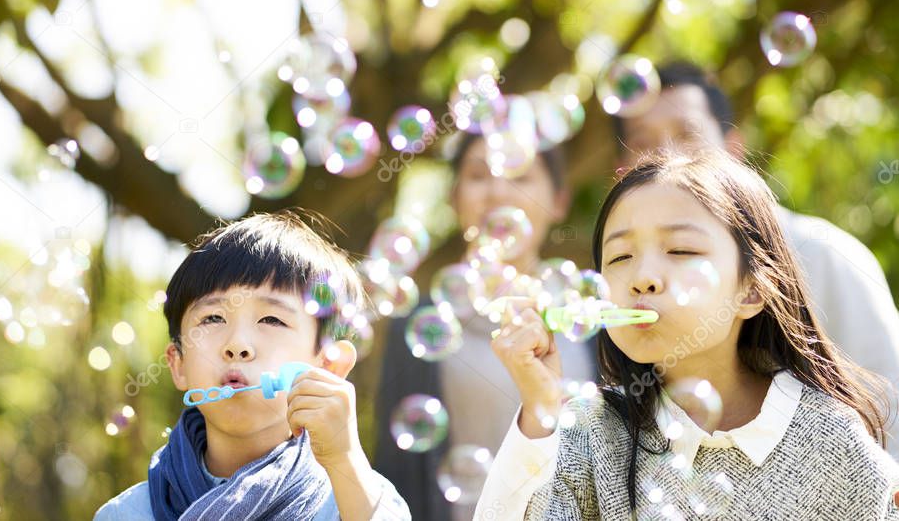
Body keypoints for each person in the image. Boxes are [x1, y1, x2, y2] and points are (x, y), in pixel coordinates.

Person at [476, 149, 899, 520]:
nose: (642, 278)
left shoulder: (830, 441)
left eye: (680, 250)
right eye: (620, 256)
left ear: (751, 289)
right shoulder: (591, 431)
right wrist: (540, 411)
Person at [614, 61, 899, 458]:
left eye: (687, 134)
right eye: (644, 142)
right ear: (625, 171)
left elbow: (889, 403)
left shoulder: (827, 255)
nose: (668, 155)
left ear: (734, 148)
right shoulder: (625, 281)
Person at [94, 213, 411, 521]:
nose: (237, 344)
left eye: (272, 319)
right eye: (213, 318)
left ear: (327, 365)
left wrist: (345, 459)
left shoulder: (357, 500)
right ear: (178, 364)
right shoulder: (125, 514)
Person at [374, 133, 599, 521]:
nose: (497, 191)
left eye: (520, 176)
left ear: (559, 200)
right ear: (454, 196)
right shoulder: (419, 326)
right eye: (479, 175)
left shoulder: (596, 324)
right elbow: (397, 471)